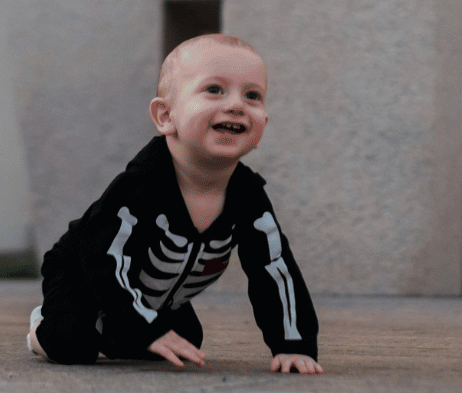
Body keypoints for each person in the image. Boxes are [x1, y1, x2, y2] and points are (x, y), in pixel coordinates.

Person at [27, 33, 322, 374]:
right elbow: (103, 257)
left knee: (184, 340)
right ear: (166, 116)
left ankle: (118, 327)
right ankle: (43, 324)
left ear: (263, 124)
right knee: (70, 343)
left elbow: (274, 268)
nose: (237, 104)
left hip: (157, 296)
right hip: (85, 272)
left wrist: (294, 344)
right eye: (214, 89)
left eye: (252, 95)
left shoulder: (248, 196)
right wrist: (144, 327)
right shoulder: (141, 184)